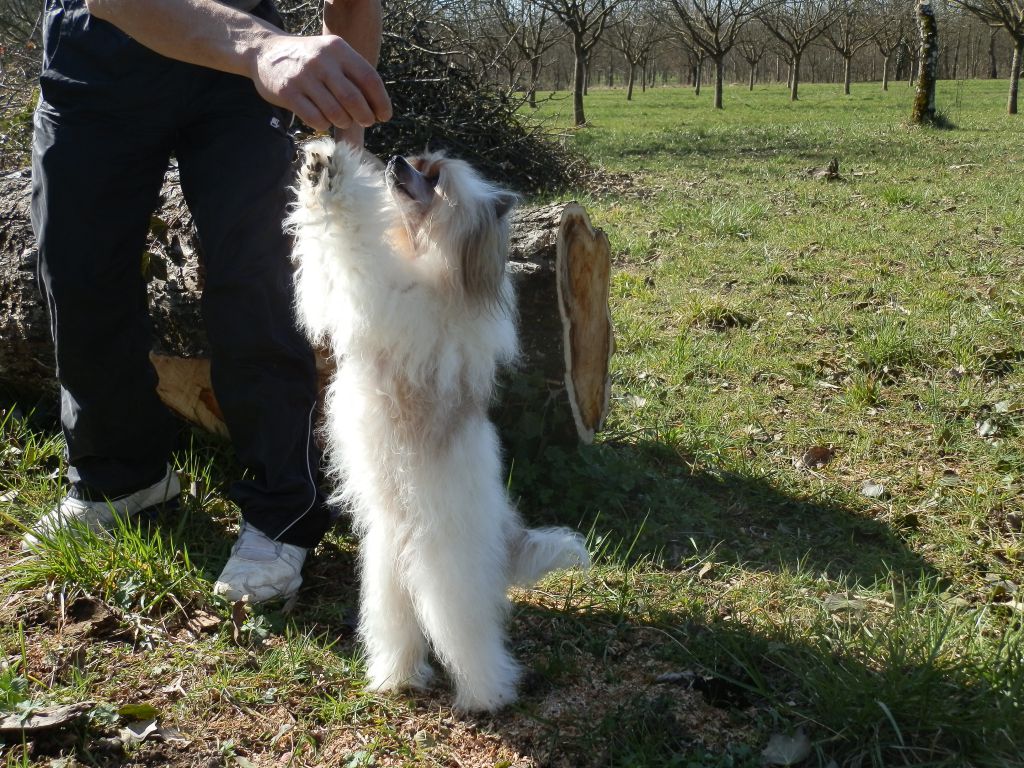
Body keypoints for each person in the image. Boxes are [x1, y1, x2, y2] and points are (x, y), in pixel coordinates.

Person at [24, 0, 392, 603]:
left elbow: (352, 3)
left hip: (237, 74)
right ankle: (120, 477)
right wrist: (263, 48)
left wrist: (345, 140)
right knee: (77, 269)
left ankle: (281, 510)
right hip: (102, 42)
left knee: (258, 277)